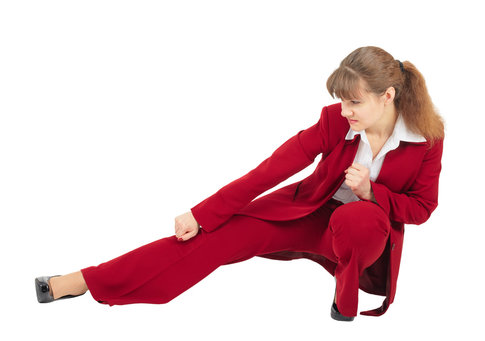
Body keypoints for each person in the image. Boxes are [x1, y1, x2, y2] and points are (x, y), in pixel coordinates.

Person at [35, 46, 444, 321]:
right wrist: (202, 213)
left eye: (354, 102)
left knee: (356, 220)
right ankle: (86, 281)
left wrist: (373, 193)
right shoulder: (335, 122)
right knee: (210, 238)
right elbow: (270, 171)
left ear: (387, 96)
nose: (344, 110)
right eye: (341, 100)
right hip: (310, 212)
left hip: (365, 229)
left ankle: (345, 299)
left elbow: (422, 208)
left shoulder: (426, 139)